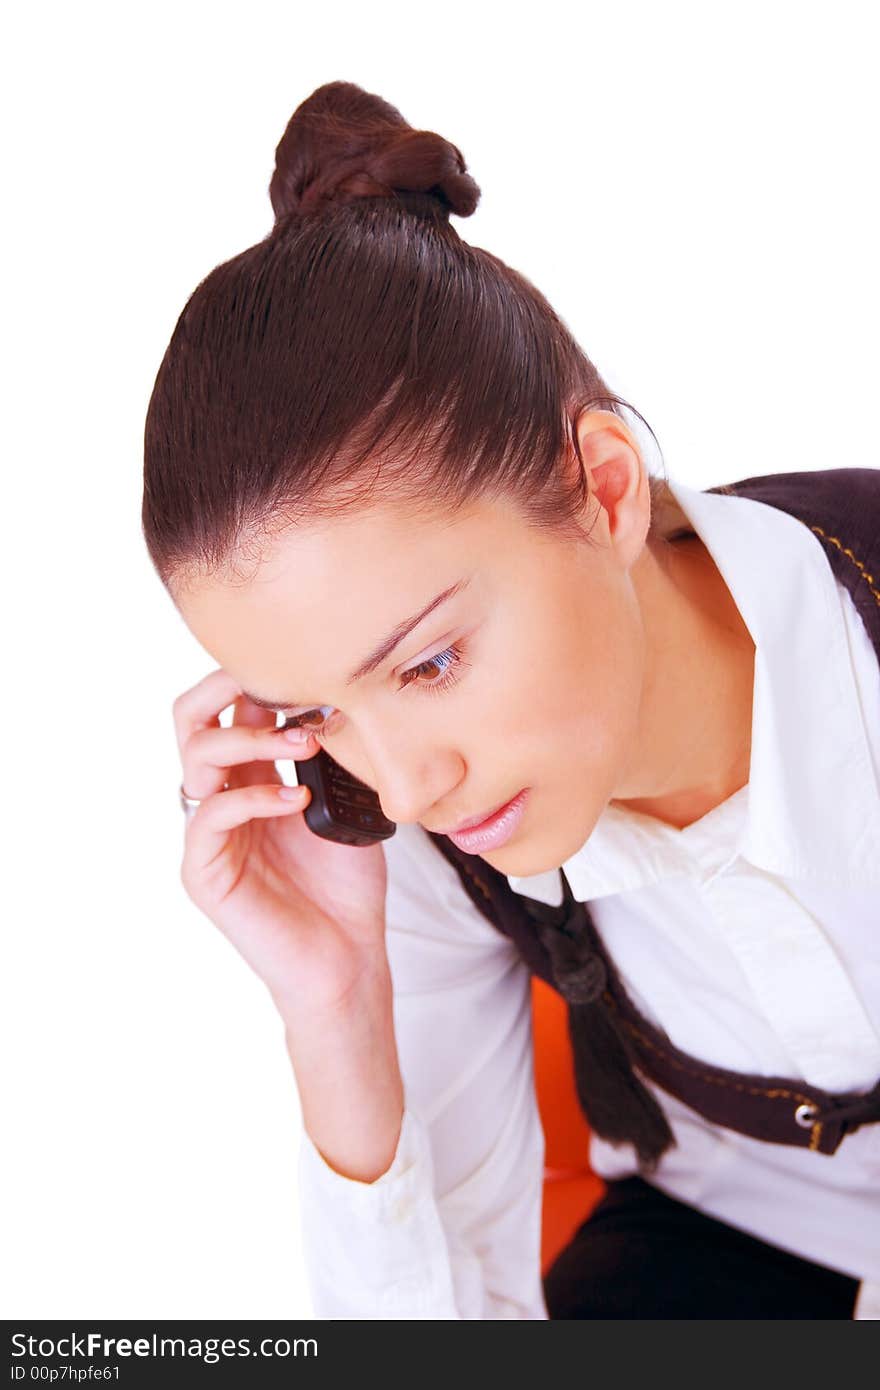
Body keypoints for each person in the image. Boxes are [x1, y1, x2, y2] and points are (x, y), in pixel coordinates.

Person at [142, 80, 880, 1319]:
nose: (410, 785)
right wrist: (337, 1014)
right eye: (317, 712)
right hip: (716, 1230)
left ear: (602, 488)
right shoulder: (423, 841)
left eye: (427, 663)